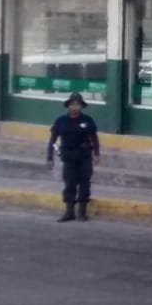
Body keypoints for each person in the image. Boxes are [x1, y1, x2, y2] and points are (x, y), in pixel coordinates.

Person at [45, 92, 101, 222]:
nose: (75, 107)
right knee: (69, 183)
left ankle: (82, 212)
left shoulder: (87, 120)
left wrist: (96, 153)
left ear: (81, 106)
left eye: (78, 104)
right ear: (68, 106)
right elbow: (53, 140)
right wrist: (50, 157)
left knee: (85, 183)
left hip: (84, 156)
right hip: (68, 156)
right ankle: (69, 212)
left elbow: (94, 138)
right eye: (72, 104)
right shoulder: (61, 121)